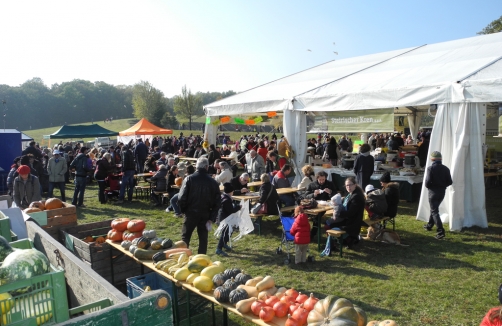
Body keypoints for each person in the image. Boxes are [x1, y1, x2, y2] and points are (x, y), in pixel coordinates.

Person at [178, 158, 221, 254]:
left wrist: (184, 210)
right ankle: (201, 259)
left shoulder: (189, 179)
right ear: (206, 167)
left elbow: (181, 198)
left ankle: (183, 258)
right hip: (205, 213)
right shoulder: (212, 182)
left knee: (185, 238)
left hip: (191, 213)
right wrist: (212, 217)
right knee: (203, 239)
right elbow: (217, 202)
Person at [328, 177, 365, 247]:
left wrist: (338, 213)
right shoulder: (350, 194)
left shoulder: (356, 196)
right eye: (347, 185)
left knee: (330, 224)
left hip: (352, 222)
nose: (348, 187)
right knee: (329, 222)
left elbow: (351, 213)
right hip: (349, 219)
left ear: (355, 185)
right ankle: (345, 240)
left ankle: (344, 241)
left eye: (350, 185)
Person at [423, 151, 452, 240]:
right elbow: (450, 182)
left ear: (432, 159)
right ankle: (429, 225)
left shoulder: (430, 168)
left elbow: (427, 182)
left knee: (434, 211)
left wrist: (430, 187)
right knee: (434, 209)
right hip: (442, 192)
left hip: (433, 192)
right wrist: (442, 186)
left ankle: (440, 231)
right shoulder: (446, 168)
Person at [215, 183, 241, 256]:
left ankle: (224, 244)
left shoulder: (224, 196)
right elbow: (231, 210)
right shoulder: (226, 200)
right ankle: (219, 248)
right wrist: (238, 207)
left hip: (225, 218)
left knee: (230, 231)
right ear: (230, 191)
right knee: (225, 234)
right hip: (225, 219)